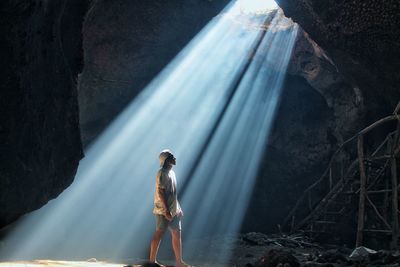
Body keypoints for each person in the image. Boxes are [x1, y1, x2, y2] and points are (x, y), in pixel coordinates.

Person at [149, 149, 190, 267]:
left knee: (177, 234)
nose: (175, 158)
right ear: (166, 160)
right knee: (159, 233)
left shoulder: (172, 173)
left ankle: (179, 262)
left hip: (173, 210)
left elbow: (172, 193)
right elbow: (161, 193)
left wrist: (178, 208)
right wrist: (166, 211)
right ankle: (152, 262)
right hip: (163, 210)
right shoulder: (161, 173)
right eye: (172, 156)